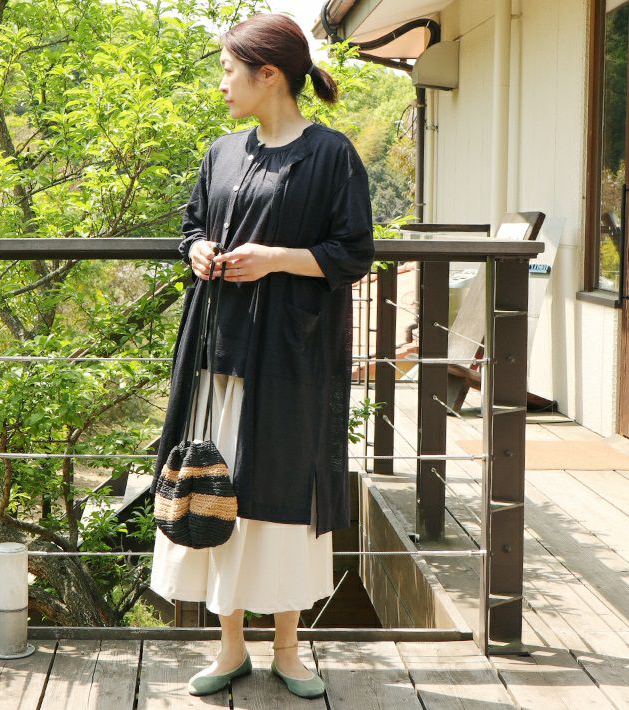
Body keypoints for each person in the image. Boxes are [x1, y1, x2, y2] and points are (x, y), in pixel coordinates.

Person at [148, 12, 375, 700]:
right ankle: (229, 648)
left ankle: (288, 651)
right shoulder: (221, 152)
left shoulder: (331, 155)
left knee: (280, 501)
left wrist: (275, 258)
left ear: (268, 74)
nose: (222, 84)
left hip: (288, 359)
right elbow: (191, 224)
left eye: (228, 70)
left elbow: (353, 253)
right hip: (216, 352)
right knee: (215, 491)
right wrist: (196, 249)